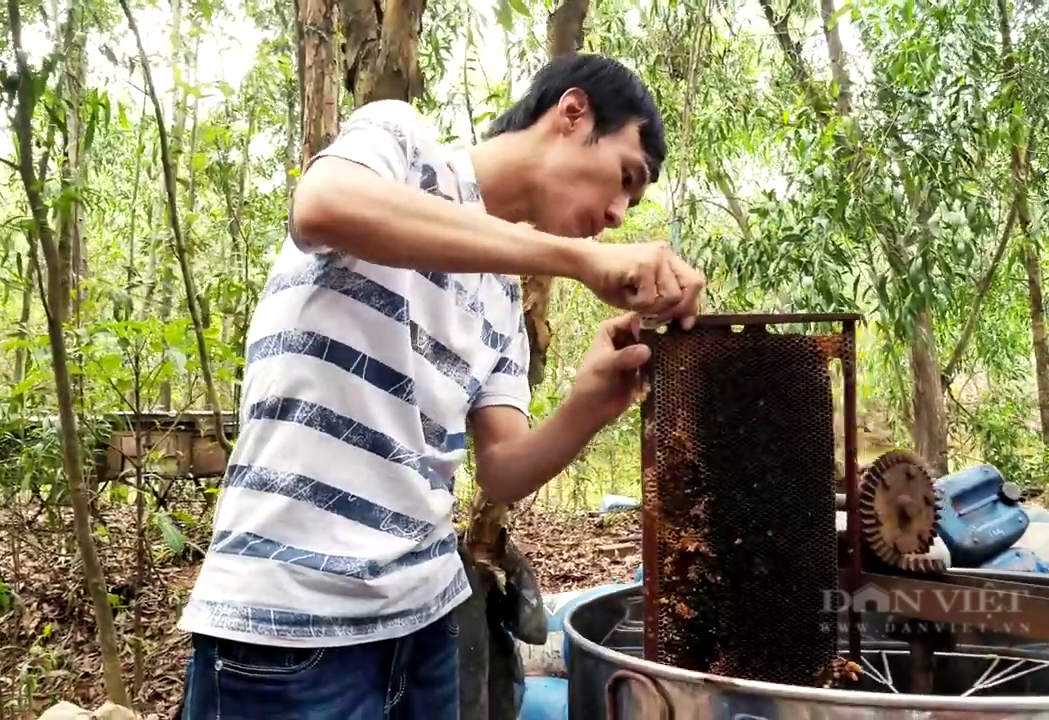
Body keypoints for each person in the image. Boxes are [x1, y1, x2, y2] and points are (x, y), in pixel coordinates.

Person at [176, 53, 703, 719]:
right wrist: (581, 261)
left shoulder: (503, 298)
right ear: (572, 114)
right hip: (291, 625)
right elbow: (323, 206)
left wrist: (591, 404)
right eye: (626, 179)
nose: (621, 214)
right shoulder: (401, 144)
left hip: (425, 627)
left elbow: (504, 470)